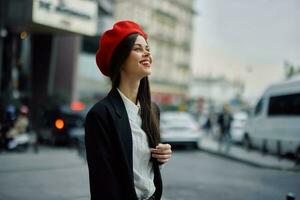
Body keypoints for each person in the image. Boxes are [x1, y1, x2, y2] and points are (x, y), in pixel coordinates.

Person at [85, 21, 172, 200]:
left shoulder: (153, 111)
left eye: (147, 48)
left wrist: (160, 158)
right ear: (120, 59)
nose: (147, 52)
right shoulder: (100, 115)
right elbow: (103, 185)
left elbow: (144, 172)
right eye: (138, 48)